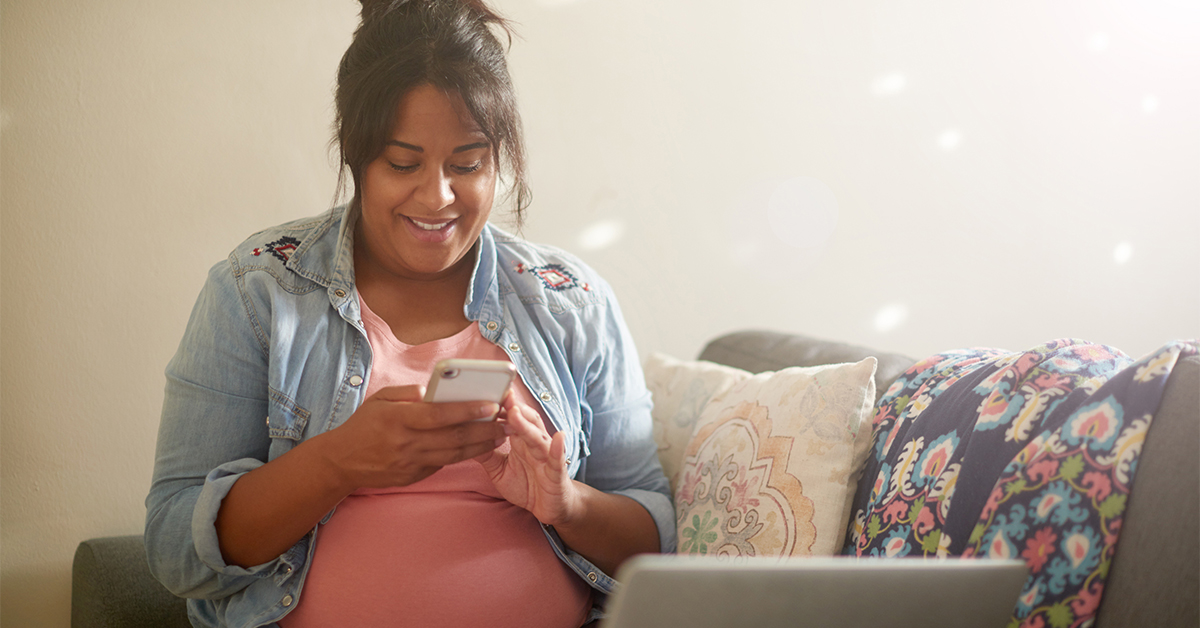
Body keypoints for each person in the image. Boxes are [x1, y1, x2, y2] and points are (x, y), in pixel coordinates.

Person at [143, 1, 675, 626]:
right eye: (403, 163)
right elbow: (175, 550)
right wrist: (337, 462)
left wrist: (565, 503)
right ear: (355, 155)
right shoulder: (257, 290)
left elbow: (656, 539)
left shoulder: (570, 300)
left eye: (468, 164)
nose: (438, 196)